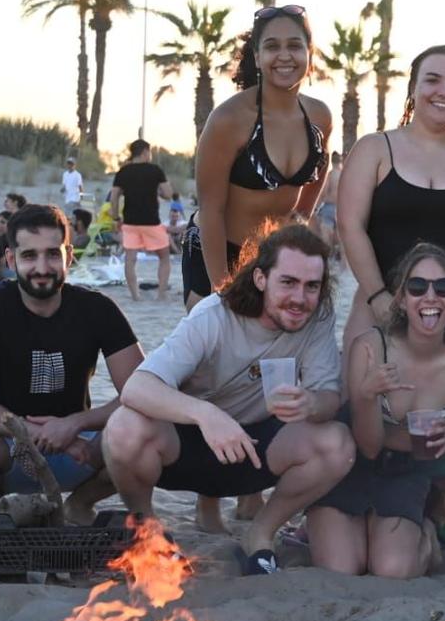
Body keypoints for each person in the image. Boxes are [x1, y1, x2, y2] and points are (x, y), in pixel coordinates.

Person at [104, 222, 354, 572]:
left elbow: (329, 396)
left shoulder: (316, 318)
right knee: (123, 428)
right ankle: (147, 531)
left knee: (337, 443)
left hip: (257, 449)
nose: (300, 298)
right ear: (261, 278)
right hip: (187, 449)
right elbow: (137, 387)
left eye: (312, 286)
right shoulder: (214, 315)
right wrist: (206, 415)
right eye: (288, 282)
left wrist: (313, 403)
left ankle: (261, 534)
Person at [305, 244, 445, 578]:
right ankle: (352, 525)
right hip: (352, 461)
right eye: (417, 287)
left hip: (409, 469)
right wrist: (365, 397)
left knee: (392, 570)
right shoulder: (371, 348)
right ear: (402, 300)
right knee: (341, 568)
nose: (430, 297)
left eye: (443, 288)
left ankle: (428, 530)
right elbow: (369, 446)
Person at [0, 205, 143, 512]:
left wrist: (75, 424)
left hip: (79, 450)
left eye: (52, 254)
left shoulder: (98, 309)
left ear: (69, 255)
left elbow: (143, 394)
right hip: (7, 448)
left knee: (145, 432)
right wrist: (35, 433)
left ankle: (78, 505)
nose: (42, 267)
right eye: (29, 256)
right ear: (11, 259)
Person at [337, 45, 445, 347]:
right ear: (413, 88)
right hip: (378, 305)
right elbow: (350, 226)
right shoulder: (374, 150)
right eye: (433, 80)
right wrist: (378, 298)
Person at [188, 5, 333, 309]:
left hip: (272, 256)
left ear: (310, 53)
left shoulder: (319, 116)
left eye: (294, 45)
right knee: (220, 348)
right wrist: (220, 291)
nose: (284, 56)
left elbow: (318, 175)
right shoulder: (229, 119)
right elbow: (211, 210)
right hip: (216, 250)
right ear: (257, 56)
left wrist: (297, 225)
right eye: (271, 46)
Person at [108, 139, 175, 301]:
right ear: (145, 152)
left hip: (130, 222)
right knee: (164, 256)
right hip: (151, 221)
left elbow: (114, 197)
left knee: (130, 259)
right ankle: (160, 295)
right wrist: (157, 191)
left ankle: (135, 296)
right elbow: (168, 194)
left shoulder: (123, 172)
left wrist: (116, 217)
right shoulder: (155, 170)